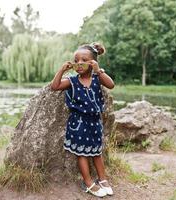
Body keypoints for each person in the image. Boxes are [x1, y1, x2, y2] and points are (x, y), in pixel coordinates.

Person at [50, 42, 114, 197]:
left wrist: (99, 71)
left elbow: (111, 85)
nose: (79, 63)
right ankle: (88, 182)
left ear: (93, 63)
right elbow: (55, 86)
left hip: (95, 123)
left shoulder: (98, 78)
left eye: (84, 60)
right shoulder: (72, 81)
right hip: (78, 123)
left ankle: (103, 179)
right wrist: (61, 70)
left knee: (96, 152)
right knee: (82, 154)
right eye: (76, 60)